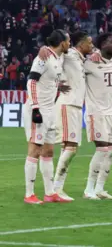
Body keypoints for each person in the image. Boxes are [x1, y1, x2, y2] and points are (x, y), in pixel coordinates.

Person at [24, 29, 71, 204]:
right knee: (35, 150)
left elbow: (49, 80)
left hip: (51, 110)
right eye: (68, 40)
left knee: (49, 151)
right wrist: (36, 107)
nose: (70, 43)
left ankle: (50, 193)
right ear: (62, 42)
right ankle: (29, 194)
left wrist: (59, 88)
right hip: (39, 109)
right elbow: (32, 81)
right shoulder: (43, 58)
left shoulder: (58, 57)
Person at [47, 32, 92, 201]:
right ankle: (56, 188)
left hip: (75, 106)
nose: (92, 45)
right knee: (70, 147)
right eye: (89, 42)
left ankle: (56, 188)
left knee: (70, 148)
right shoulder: (70, 54)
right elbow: (51, 58)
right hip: (67, 104)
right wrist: (56, 84)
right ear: (81, 45)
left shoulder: (80, 59)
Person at [83, 33, 112, 200]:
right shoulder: (89, 62)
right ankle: (88, 189)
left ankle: (100, 188)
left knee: (110, 151)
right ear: (101, 46)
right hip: (96, 113)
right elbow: (69, 63)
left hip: (111, 113)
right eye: (111, 42)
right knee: (101, 150)